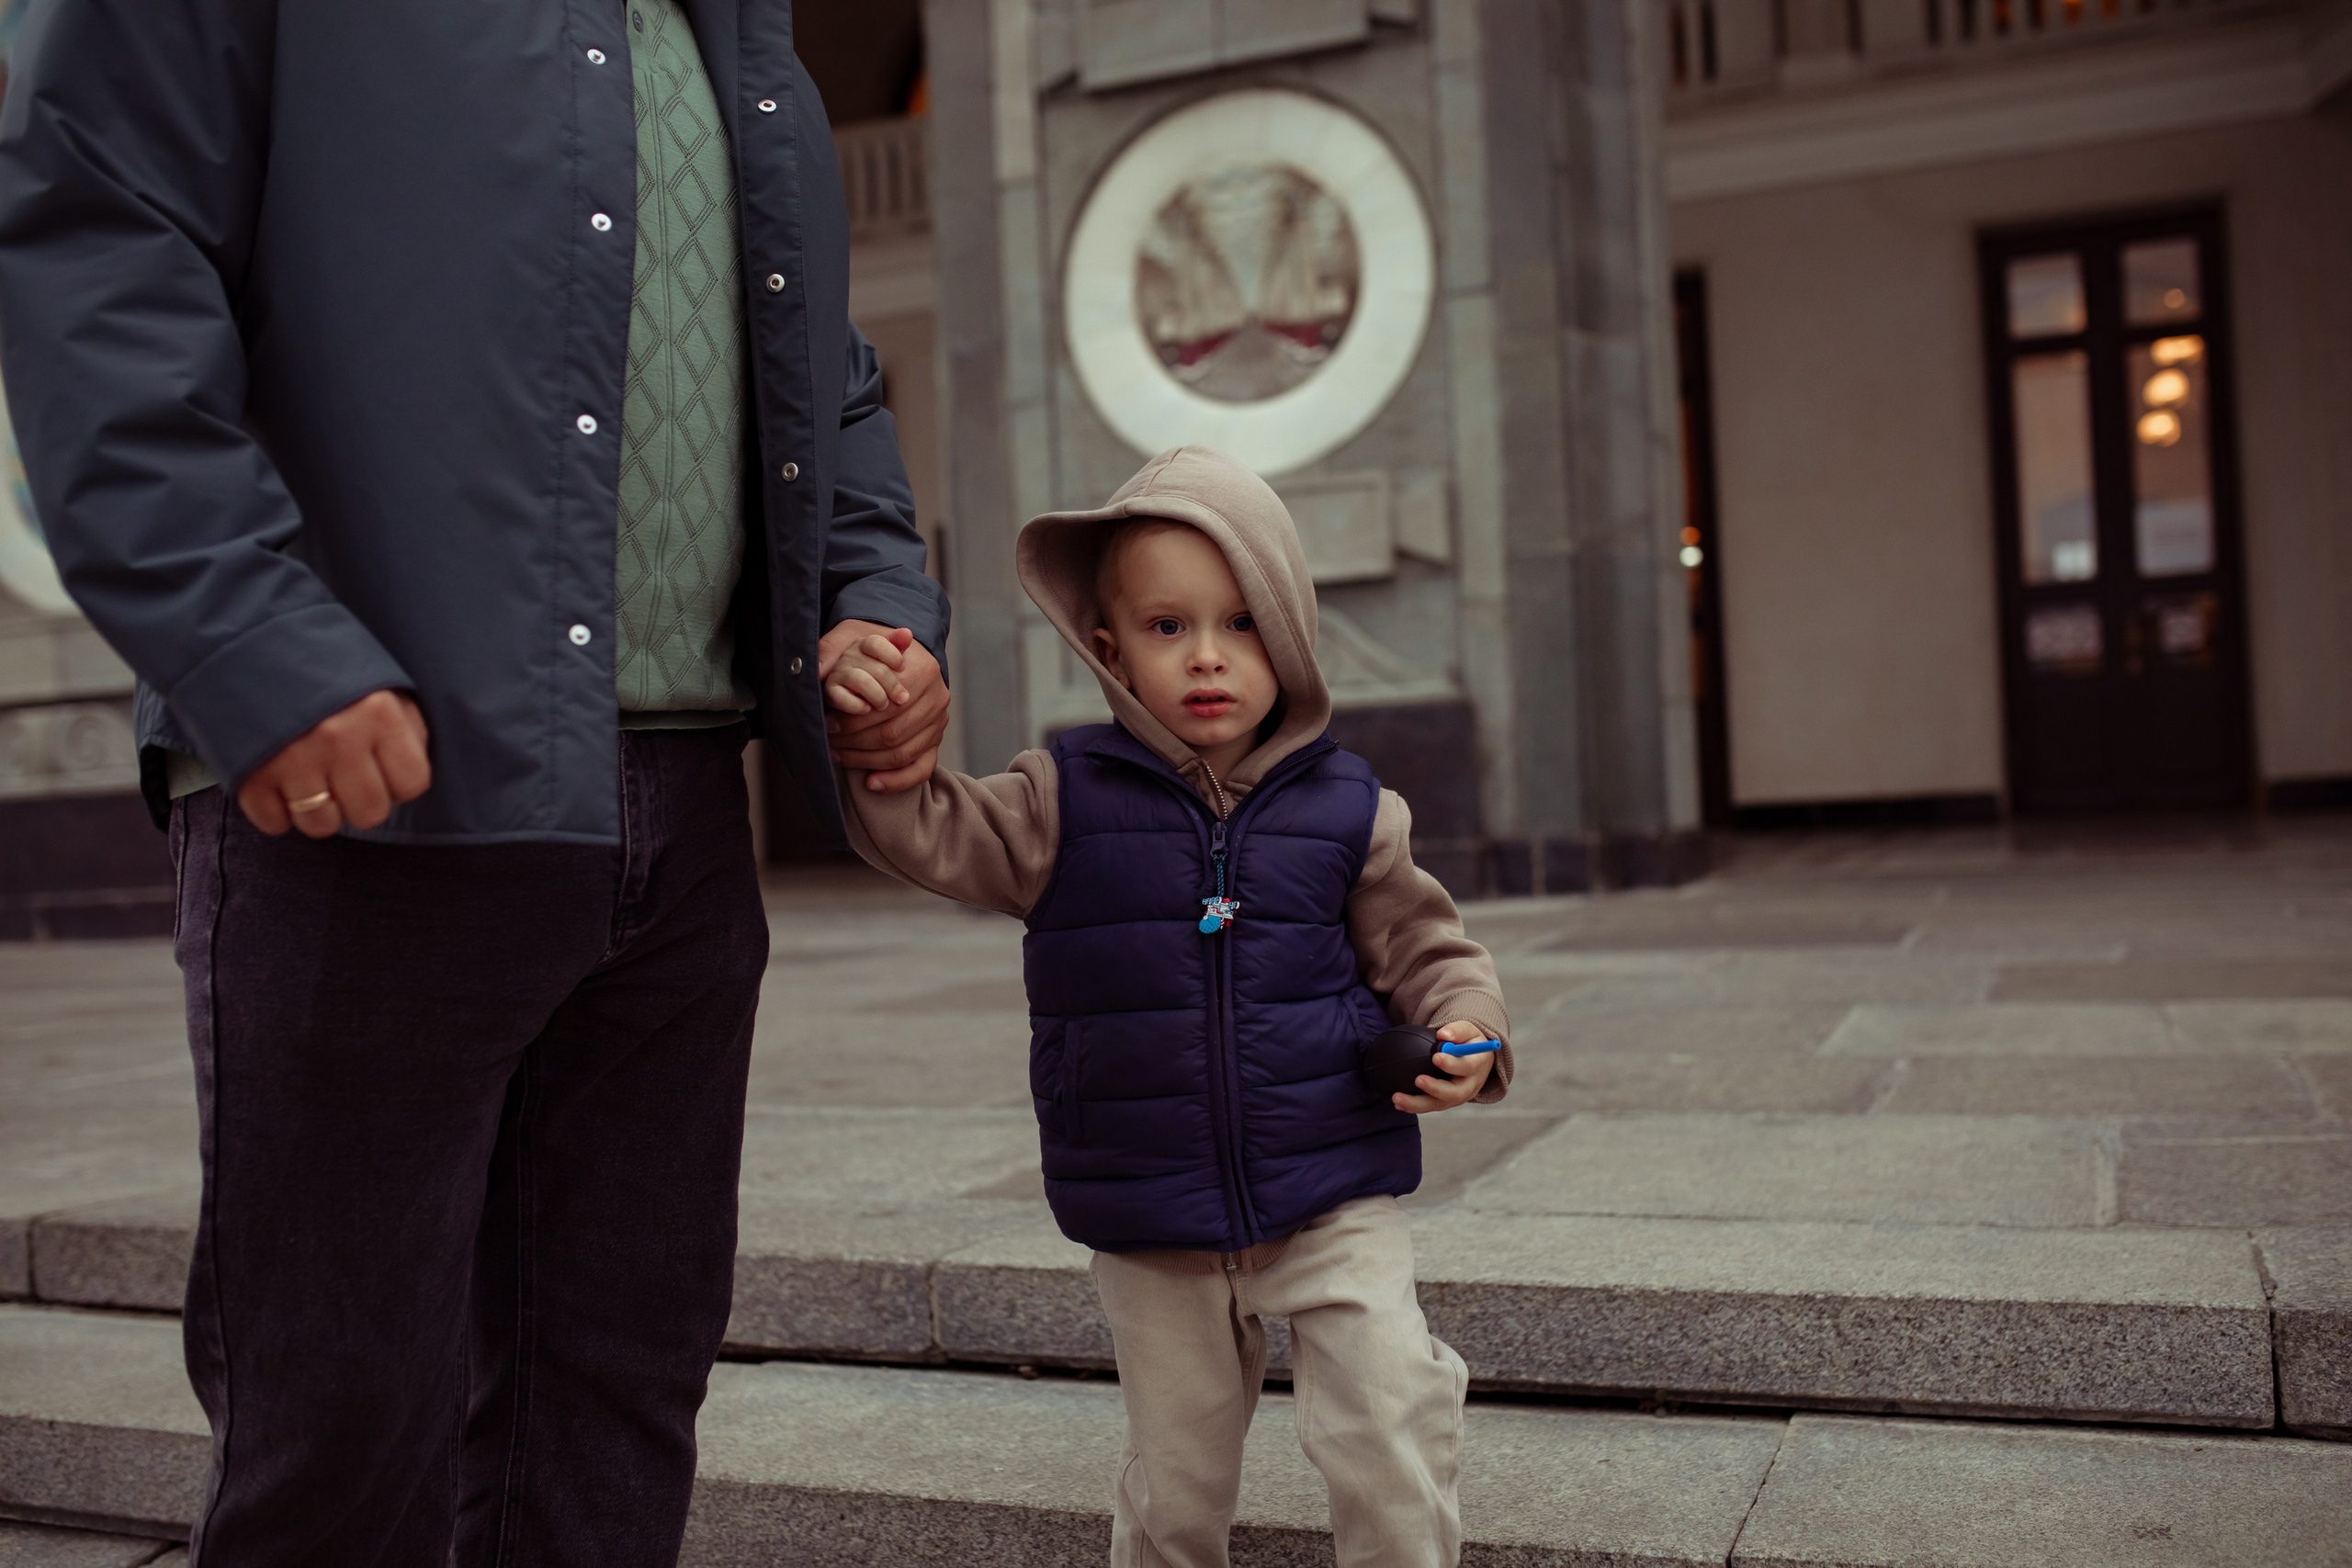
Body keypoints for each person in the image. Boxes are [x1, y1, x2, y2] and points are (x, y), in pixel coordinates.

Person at [0, 3, 948, 1562]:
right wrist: (250, 635)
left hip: (691, 814)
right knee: (343, 1449)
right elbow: (100, 249)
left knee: (615, 1415)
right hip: (362, 801)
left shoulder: (731, 25)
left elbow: (817, 364)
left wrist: (873, 596)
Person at [833, 446, 1511, 1568]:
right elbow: (922, 826)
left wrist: (1469, 1036)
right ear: (1107, 648)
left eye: (1242, 624)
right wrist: (875, 743)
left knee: (1386, 1414)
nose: (1207, 656)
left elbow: (1429, 950)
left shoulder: (1351, 810)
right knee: (1178, 1479)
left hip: (1331, 1186)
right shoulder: (1056, 802)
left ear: (1288, 635)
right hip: (1150, 1216)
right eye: (1167, 627)